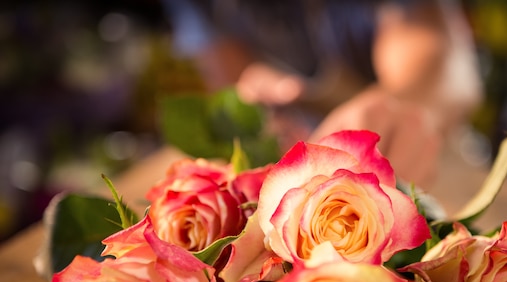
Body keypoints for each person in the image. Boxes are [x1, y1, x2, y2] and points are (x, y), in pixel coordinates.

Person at [161, 0, 483, 187]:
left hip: (424, 160)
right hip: (297, 167)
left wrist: (400, 110)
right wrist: (257, 101)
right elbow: (229, 74)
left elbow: (445, 68)